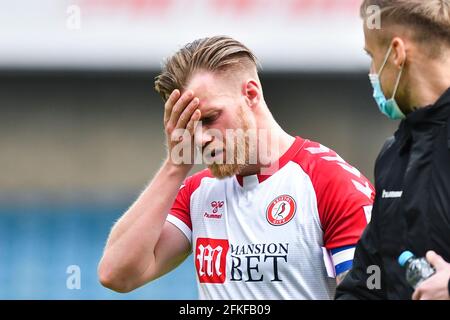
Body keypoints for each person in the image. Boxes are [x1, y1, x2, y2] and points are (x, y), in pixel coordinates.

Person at [98, 36, 374, 299]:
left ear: (251, 94)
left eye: (210, 118)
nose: (201, 138)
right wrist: (175, 166)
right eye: (189, 126)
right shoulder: (197, 192)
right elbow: (117, 274)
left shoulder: (330, 182)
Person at [336, 0, 450, 300]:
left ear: (397, 53)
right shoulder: (393, 156)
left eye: (372, 57)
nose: (372, 72)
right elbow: (366, 284)